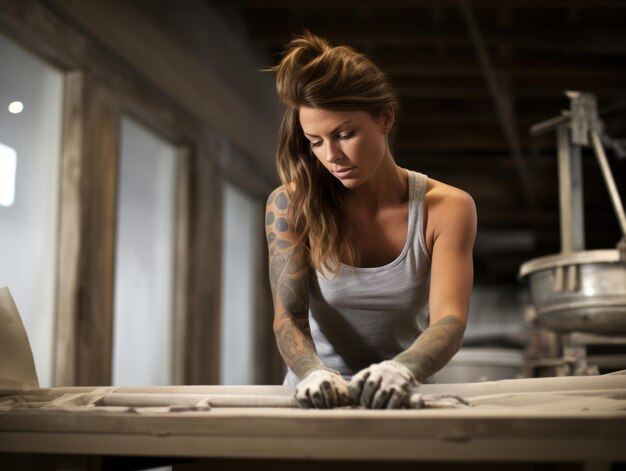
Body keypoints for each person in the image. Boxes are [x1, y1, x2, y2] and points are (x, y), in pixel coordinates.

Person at [264, 32, 476, 409]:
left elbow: (450, 318)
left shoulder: (447, 208)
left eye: (345, 134)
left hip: (404, 391)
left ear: (386, 118)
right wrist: (312, 372)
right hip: (315, 397)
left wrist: (402, 370)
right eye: (315, 141)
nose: (332, 156)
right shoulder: (290, 205)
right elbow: (289, 317)